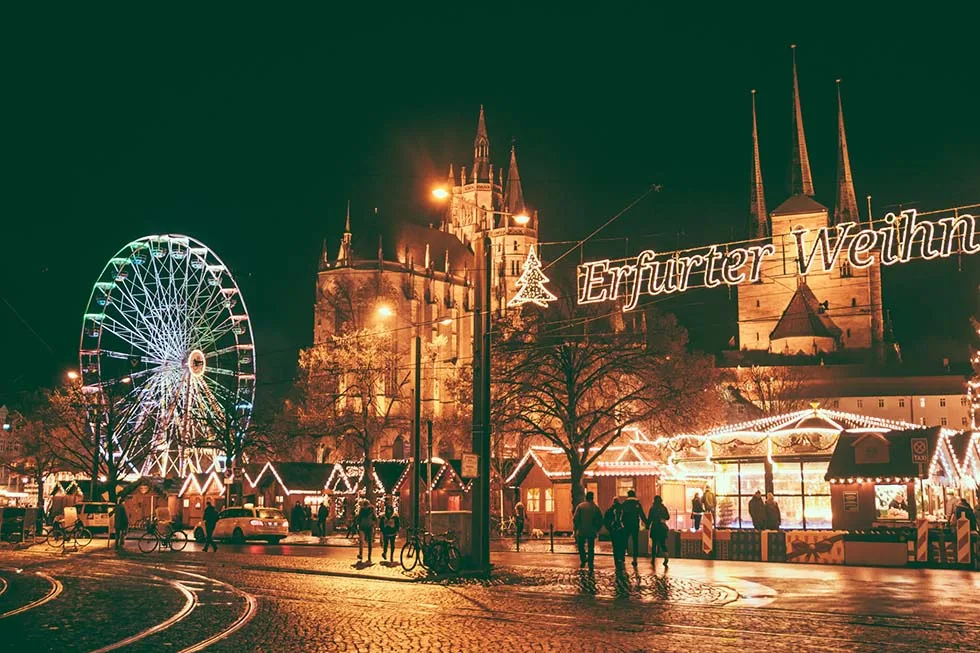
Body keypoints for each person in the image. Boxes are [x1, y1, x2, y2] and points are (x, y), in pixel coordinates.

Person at [572, 490, 603, 570]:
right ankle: (590, 561)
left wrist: (576, 528)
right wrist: (597, 529)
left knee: (581, 546)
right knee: (591, 547)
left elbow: (575, 519)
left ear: (586, 497)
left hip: (582, 530)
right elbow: (600, 519)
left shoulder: (580, 506)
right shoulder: (595, 508)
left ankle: (583, 559)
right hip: (592, 531)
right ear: (592, 497)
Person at [621, 490, 646, 567]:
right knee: (635, 541)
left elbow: (622, 514)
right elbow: (642, 514)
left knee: (624, 540)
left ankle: (622, 557)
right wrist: (647, 523)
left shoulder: (625, 504)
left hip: (626, 525)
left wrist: (621, 522)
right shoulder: (637, 504)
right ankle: (635, 559)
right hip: (635, 524)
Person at [603, 497, 627, 569]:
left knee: (615, 546)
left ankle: (616, 560)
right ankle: (622, 558)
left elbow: (605, 520)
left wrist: (609, 528)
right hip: (622, 529)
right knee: (622, 545)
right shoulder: (623, 509)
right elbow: (626, 519)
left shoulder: (610, 510)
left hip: (614, 530)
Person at [646, 495, 670, 566]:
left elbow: (650, 518)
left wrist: (647, 526)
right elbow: (668, 517)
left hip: (655, 527)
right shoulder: (664, 508)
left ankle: (653, 558)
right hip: (662, 528)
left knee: (654, 544)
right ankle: (666, 556)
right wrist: (662, 518)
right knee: (662, 543)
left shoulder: (652, 508)